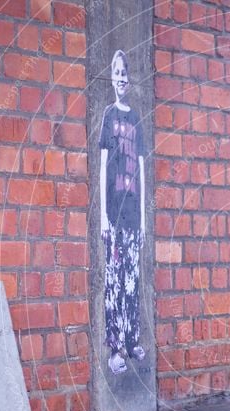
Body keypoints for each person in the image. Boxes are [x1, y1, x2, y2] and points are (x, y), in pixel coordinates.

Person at [99, 50, 147, 374]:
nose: (120, 77)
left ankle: (132, 341)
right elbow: (103, 167)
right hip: (113, 217)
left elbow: (141, 170)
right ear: (112, 77)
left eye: (123, 72)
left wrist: (143, 220)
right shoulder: (108, 116)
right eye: (115, 72)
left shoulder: (135, 119)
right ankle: (115, 346)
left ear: (129, 79)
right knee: (114, 282)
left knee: (132, 280)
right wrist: (103, 216)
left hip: (132, 217)